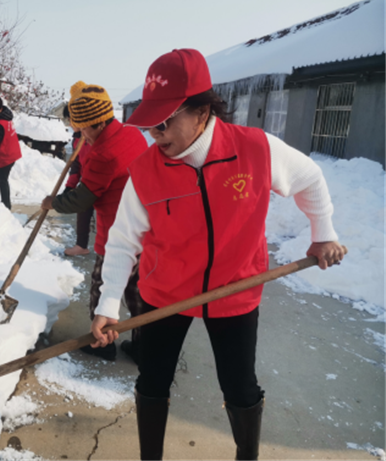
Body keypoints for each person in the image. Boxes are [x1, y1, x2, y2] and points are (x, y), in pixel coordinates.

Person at [89, 49, 346, 460]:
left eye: (165, 122)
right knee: (152, 379)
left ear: (202, 110)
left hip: (235, 288)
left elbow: (310, 178)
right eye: (150, 124)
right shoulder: (145, 171)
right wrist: (107, 305)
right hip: (165, 291)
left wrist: (323, 233)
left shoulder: (255, 149)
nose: (155, 134)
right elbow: (122, 242)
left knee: (240, 385)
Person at [41, 81, 148, 361]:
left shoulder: (104, 153)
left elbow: (82, 199)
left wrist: (53, 203)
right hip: (143, 228)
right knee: (137, 291)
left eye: (83, 130)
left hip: (116, 231)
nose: (81, 136)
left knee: (102, 286)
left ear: (98, 123)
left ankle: (102, 344)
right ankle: (144, 347)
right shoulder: (131, 134)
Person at [62, 106, 93, 257]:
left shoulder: (92, 136)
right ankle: (81, 245)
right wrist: (70, 186)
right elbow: (76, 165)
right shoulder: (77, 139)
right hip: (88, 181)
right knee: (83, 210)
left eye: (72, 120)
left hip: (101, 180)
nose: (70, 124)